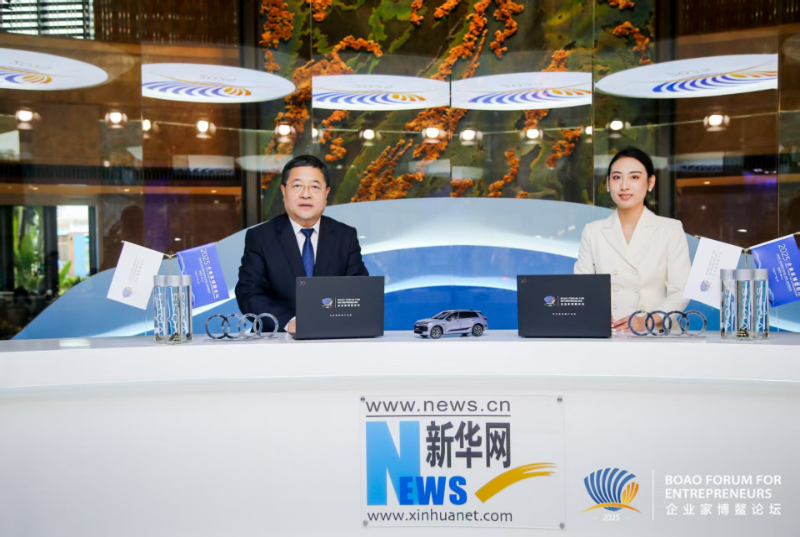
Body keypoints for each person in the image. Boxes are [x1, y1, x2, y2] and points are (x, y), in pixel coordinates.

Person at [235, 155, 369, 336]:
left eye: (315, 187)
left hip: (333, 338)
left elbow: (359, 290)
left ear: (326, 193)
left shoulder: (345, 236)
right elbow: (248, 292)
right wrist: (289, 322)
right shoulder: (260, 237)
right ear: (283, 191)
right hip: (279, 340)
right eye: (297, 186)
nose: (306, 194)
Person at [574, 147, 691, 333]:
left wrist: (646, 321)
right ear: (608, 183)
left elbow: (681, 291)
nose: (624, 186)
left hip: (656, 335)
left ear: (650, 182)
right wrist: (596, 313)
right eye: (616, 177)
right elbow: (582, 287)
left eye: (634, 177)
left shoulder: (670, 230)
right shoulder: (593, 231)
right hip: (608, 333)